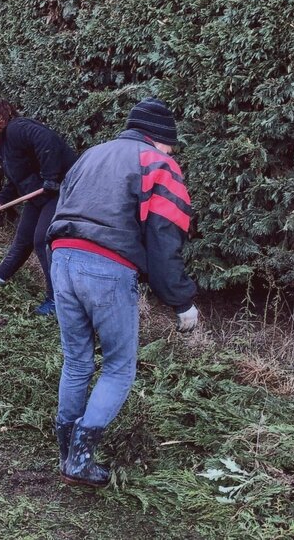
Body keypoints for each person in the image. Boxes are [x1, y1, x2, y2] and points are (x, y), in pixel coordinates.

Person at [47, 97, 199, 488]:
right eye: (171, 145)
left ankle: (66, 449)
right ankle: (79, 459)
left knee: (77, 361)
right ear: (161, 139)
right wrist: (181, 300)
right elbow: (165, 241)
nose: (171, 151)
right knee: (118, 367)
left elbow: (62, 206)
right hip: (106, 268)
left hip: (61, 259)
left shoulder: (92, 154)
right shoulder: (158, 163)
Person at [0, 101, 77, 315]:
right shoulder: (4, 146)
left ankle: (56, 300)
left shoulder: (17, 128)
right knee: (24, 238)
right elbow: (16, 180)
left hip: (60, 190)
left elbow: (47, 139)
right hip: (40, 194)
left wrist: (50, 177)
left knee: (41, 239)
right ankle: (0, 276)